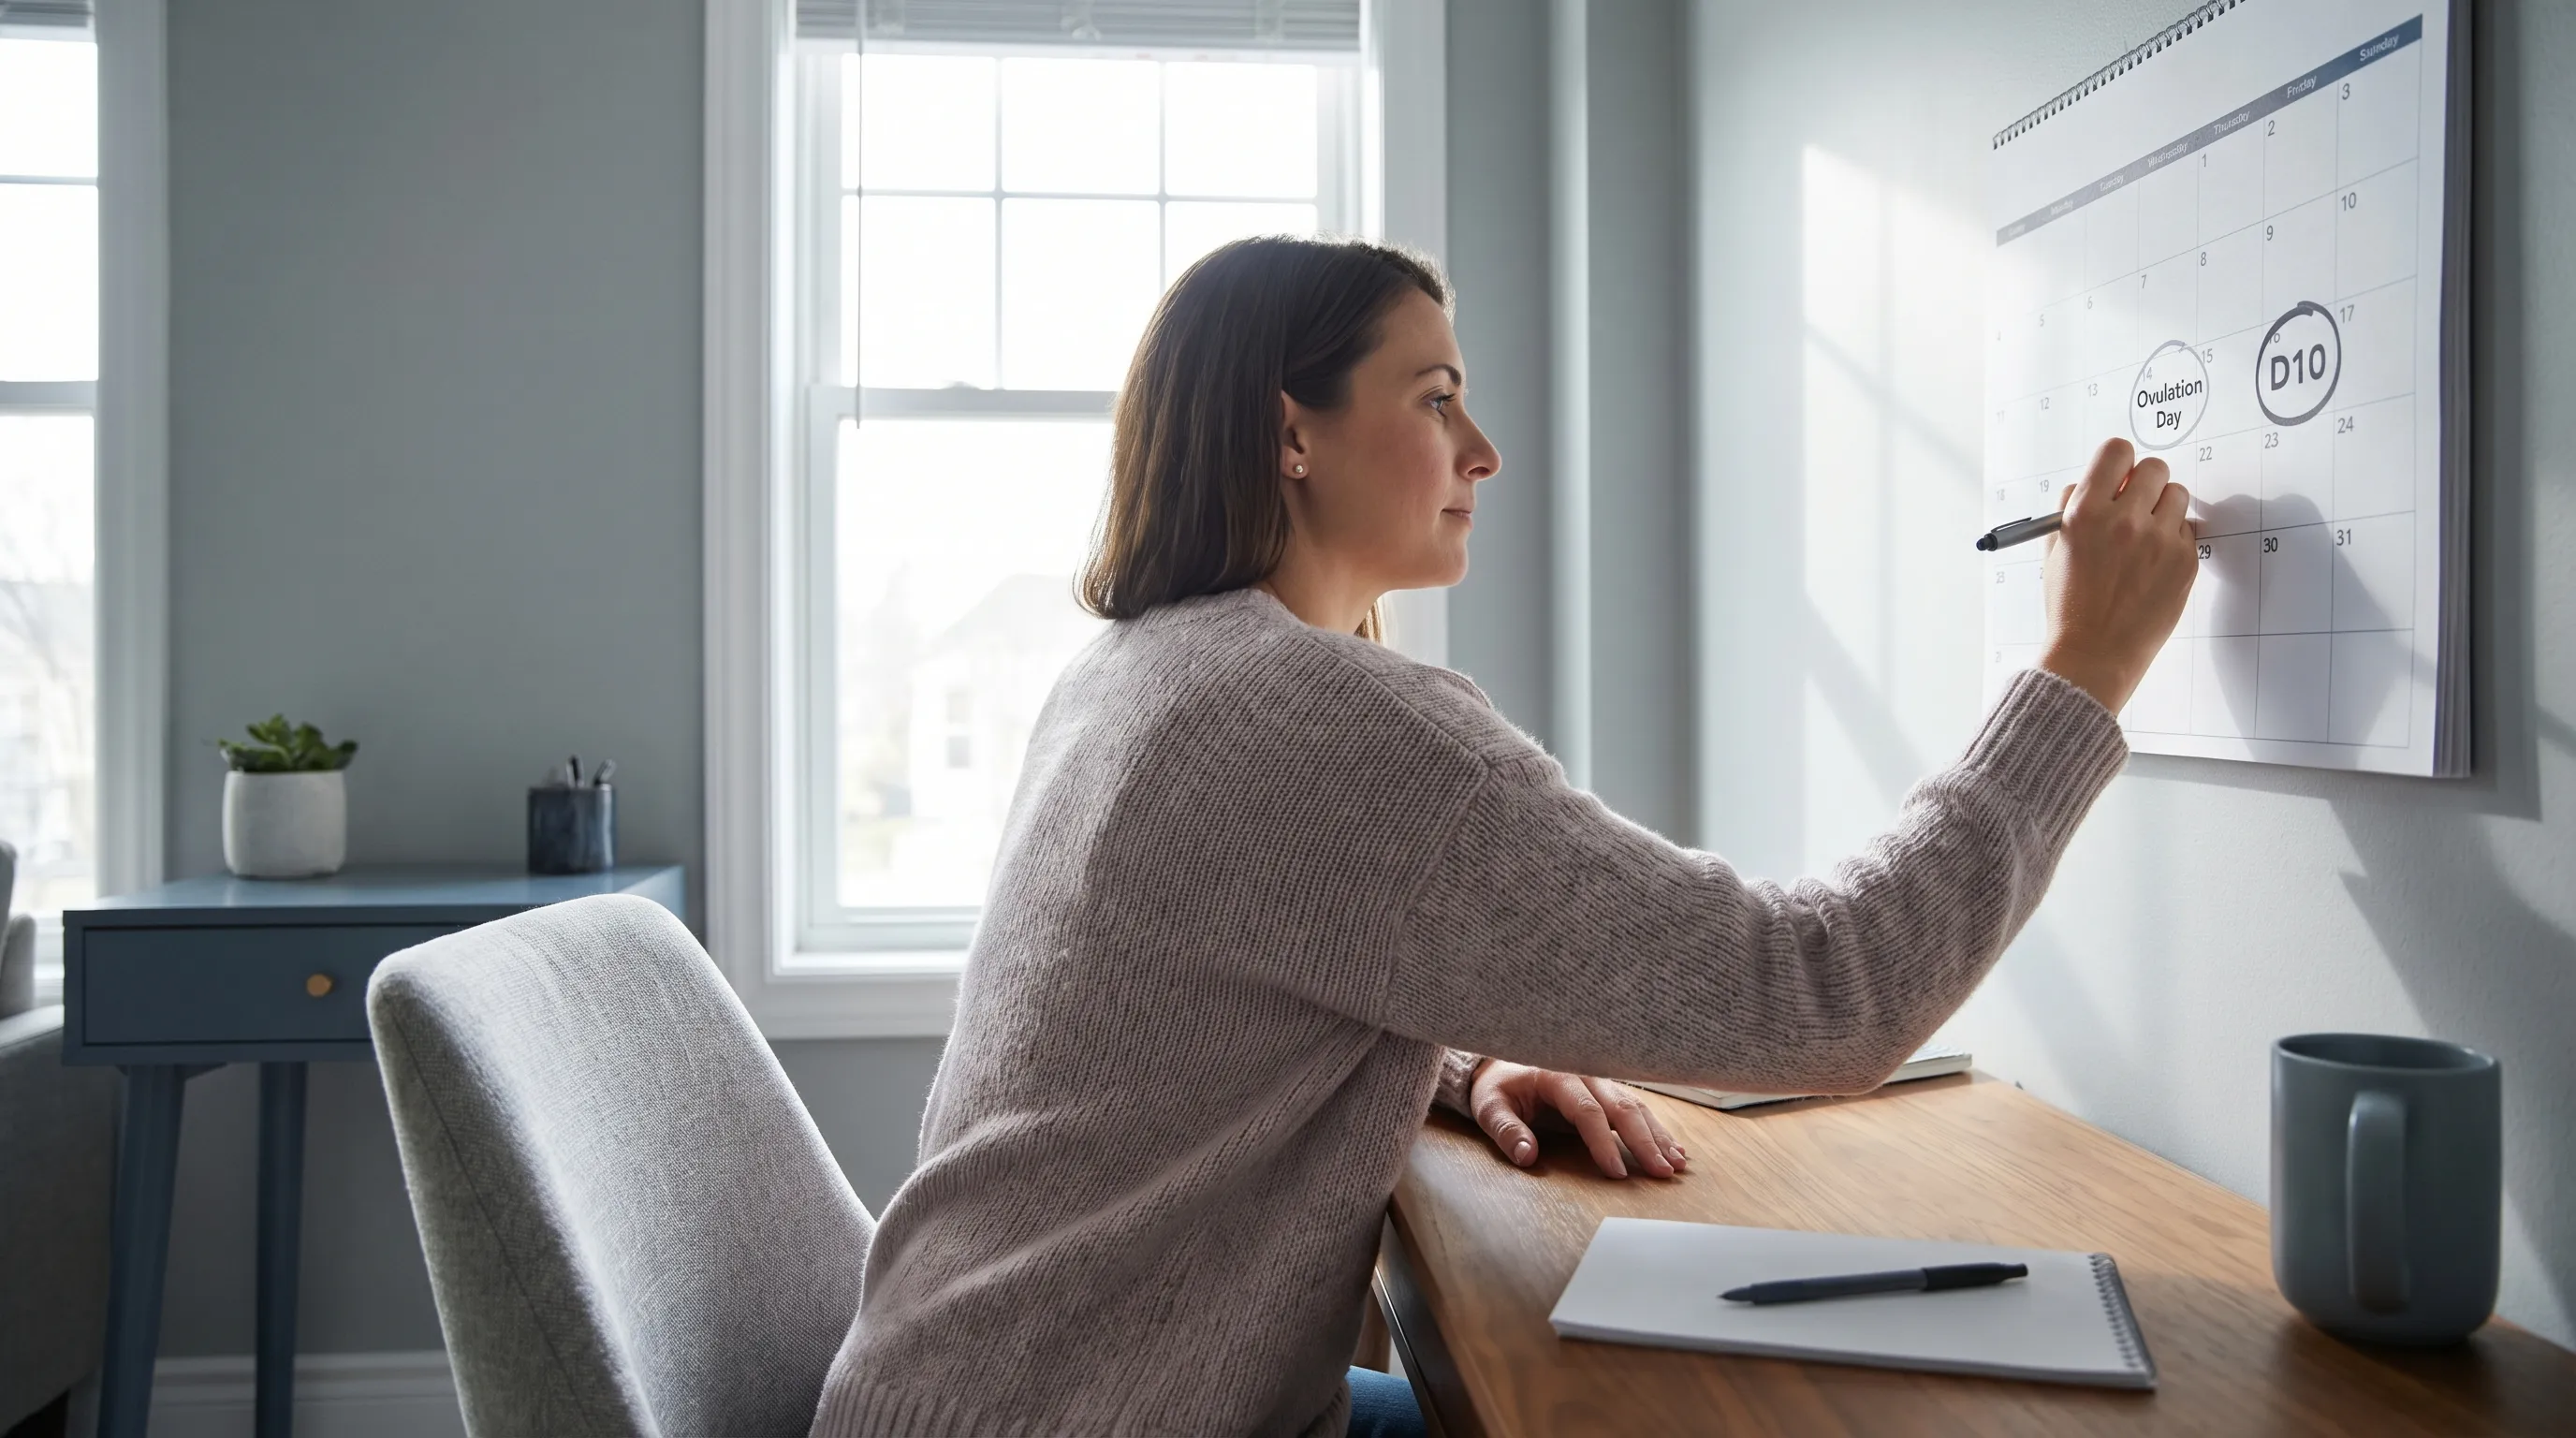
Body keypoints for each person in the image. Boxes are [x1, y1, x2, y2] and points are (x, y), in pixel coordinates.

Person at [808, 237, 2198, 1438]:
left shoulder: (1135, 672)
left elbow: (1186, 1011)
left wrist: (1460, 1057)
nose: (1484, 451)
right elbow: (1825, 991)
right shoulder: (1329, 727)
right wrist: (2082, 672)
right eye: (1437, 398)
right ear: (1291, 435)